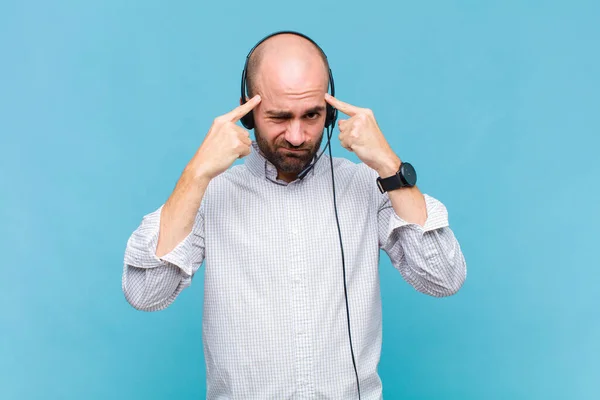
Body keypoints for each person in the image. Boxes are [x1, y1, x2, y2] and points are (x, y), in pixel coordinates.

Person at [122, 31, 467, 399]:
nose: (298, 135)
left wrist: (388, 164)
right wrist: (196, 175)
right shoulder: (211, 193)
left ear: (330, 111)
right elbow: (146, 293)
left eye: (312, 115)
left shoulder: (371, 185)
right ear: (248, 113)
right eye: (279, 117)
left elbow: (443, 279)